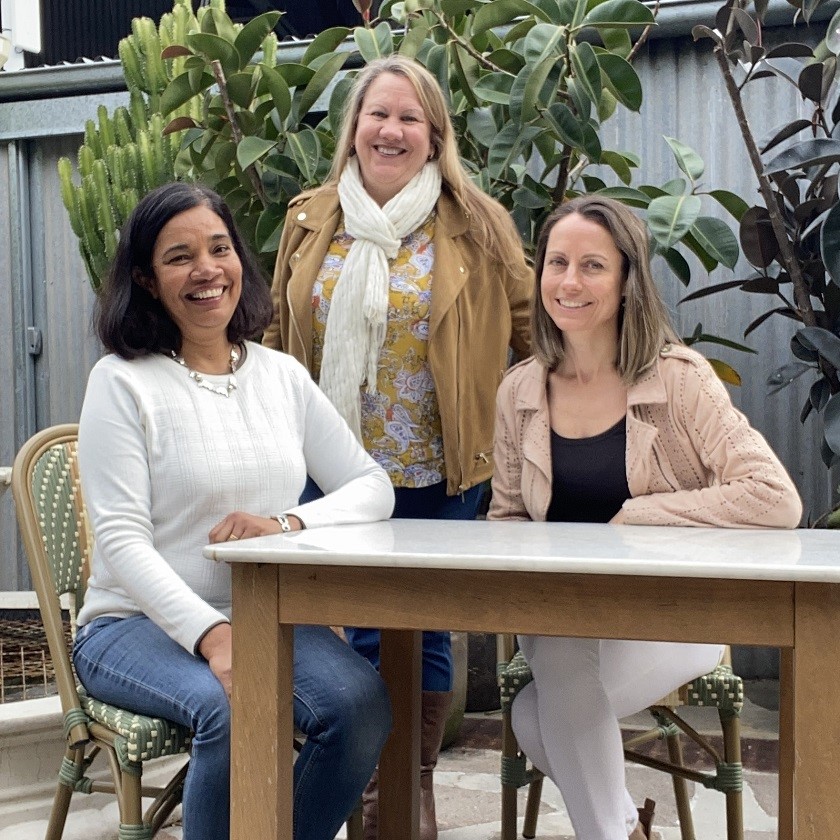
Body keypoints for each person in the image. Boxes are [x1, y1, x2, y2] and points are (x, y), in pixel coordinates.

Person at [72, 182, 395, 840]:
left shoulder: (279, 376)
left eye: (219, 248)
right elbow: (123, 543)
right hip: (132, 624)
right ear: (146, 278)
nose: (206, 270)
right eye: (179, 256)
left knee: (360, 702)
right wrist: (213, 638)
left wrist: (287, 523)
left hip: (260, 611)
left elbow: (372, 485)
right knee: (231, 700)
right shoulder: (122, 381)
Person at [264, 55, 532, 839]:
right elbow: (282, 338)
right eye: (378, 115)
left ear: (434, 136)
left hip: (436, 472)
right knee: (325, 633)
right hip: (330, 473)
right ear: (353, 131)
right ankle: (348, 780)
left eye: (410, 118)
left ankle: (401, 801)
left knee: (418, 634)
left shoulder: (478, 223)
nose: (392, 130)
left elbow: (534, 338)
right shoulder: (310, 219)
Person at [488, 195, 802, 839]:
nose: (569, 282)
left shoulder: (678, 379)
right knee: (551, 662)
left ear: (629, 280)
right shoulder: (520, 391)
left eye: (593, 266)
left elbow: (775, 497)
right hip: (560, 619)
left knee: (533, 712)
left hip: (673, 617)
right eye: (557, 263)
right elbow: (508, 517)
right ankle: (625, 832)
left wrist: (645, 514)